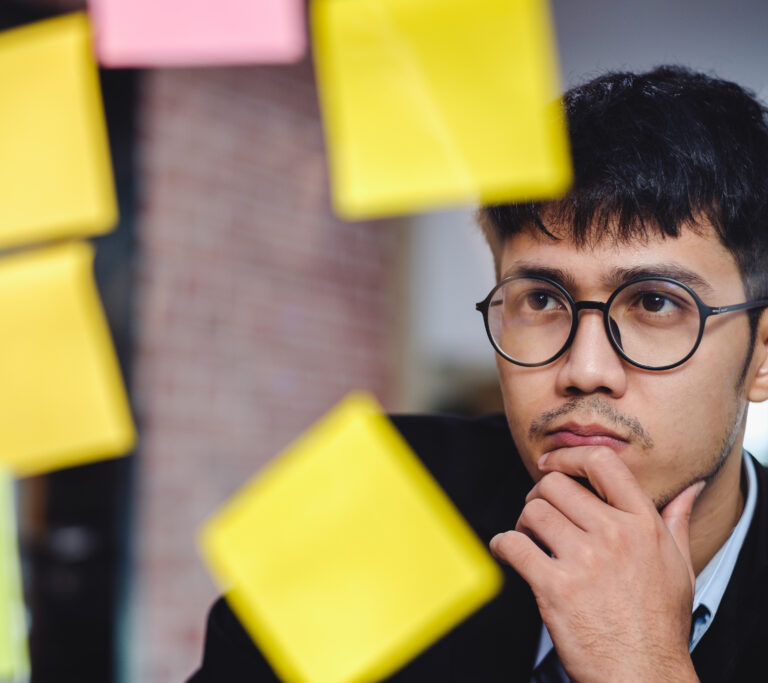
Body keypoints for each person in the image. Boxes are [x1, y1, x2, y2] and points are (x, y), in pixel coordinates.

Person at [187, 65, 768, 682]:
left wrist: (643, 666)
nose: (585, 369)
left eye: (654, 302)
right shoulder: (386, 495)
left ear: (761, 356)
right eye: (542, 300)